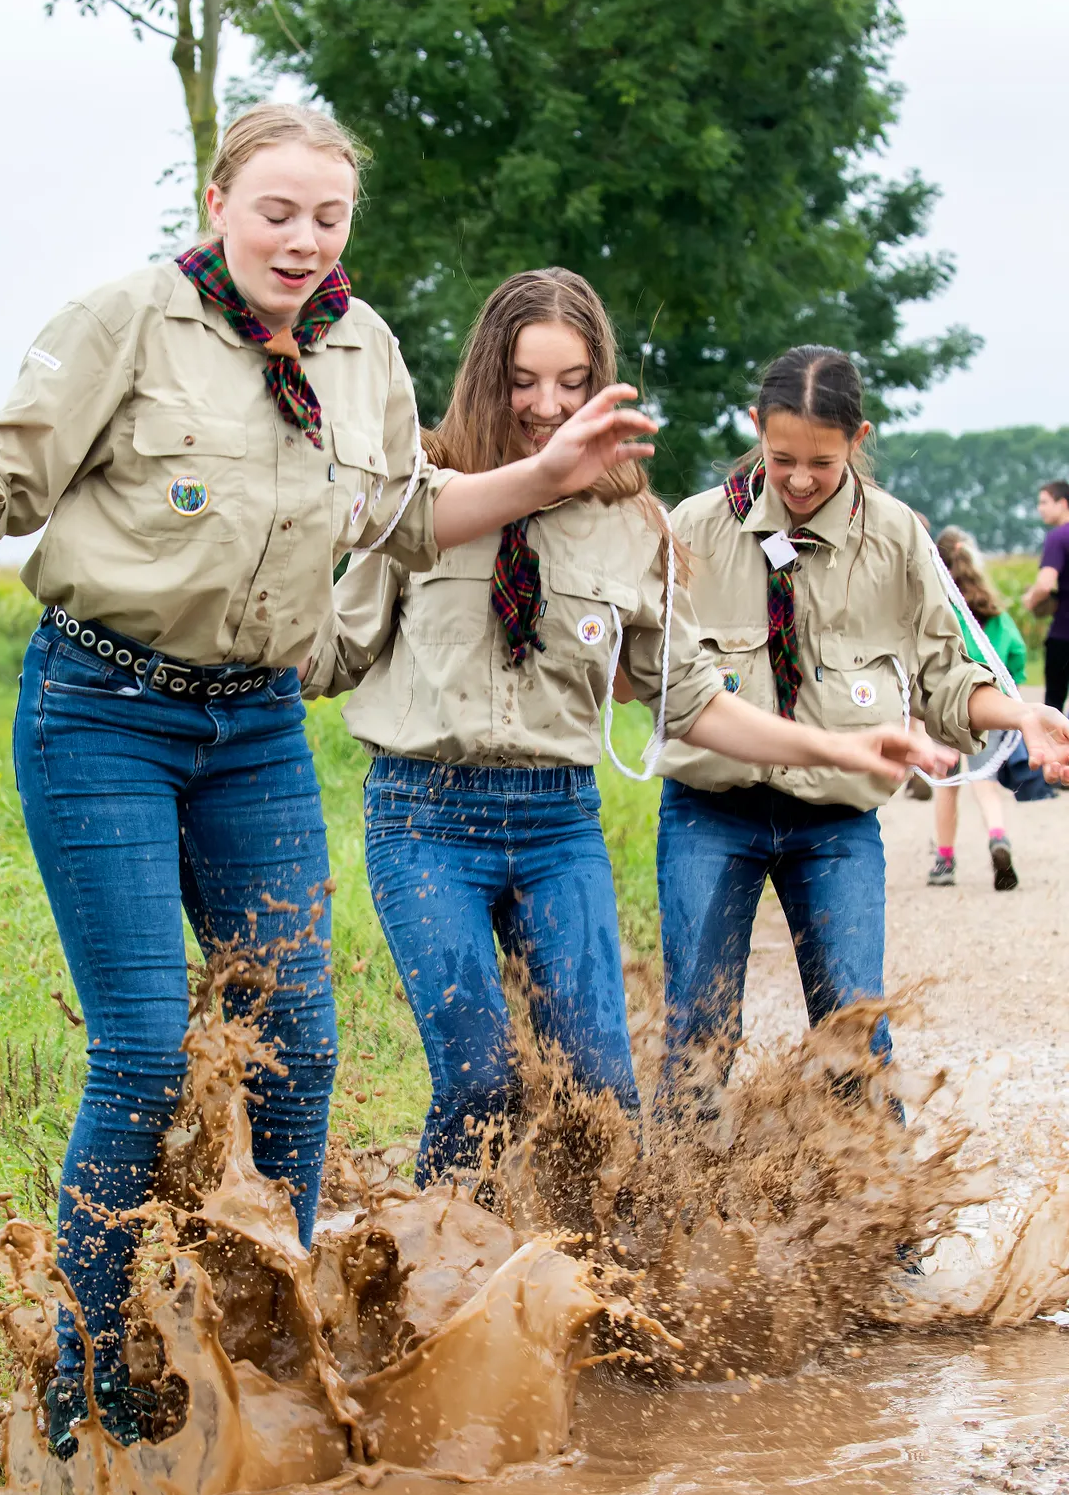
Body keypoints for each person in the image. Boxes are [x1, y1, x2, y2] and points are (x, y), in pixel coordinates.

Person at [0, 107, 660, 1457]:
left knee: (300, 1043)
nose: (303, 241)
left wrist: (542, 473)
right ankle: (84, 1375)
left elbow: (409, 517)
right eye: (277, 213)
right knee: (139, 1052)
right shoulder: (127, 322)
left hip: (250, 729)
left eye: (329, 218)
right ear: (218, 202)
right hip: (104, 711)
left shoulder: (361, 353)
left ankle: (261, 1340)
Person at [307, 274, 936, 1183]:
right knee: (481, 1081)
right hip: (425, 820)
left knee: (604, 1098)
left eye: (571, 381)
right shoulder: (423, 493)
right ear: (489, 375)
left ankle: (589, 1289)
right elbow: (328, 654)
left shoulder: (633, 526)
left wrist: (838, 747)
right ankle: (429, 1287)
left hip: (558, 823)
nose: (547, 405)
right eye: (525, 380)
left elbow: (691, 701)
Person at [655, 347, 1069, 1121]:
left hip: (837, 827)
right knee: (697, 1043)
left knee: (856, 1044)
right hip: (710, 814)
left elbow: (950, 677)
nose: (802, 479)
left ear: (859, 438)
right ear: (755, 429)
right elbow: (654, 679)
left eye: (822, 459)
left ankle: (884, 1242)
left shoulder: (898, 538)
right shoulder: (696, 529)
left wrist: (1021, 714)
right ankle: (680, 1231)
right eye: (782, 459)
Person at [927, 528, 1027, 891]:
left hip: (945, 703)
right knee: (985, 782)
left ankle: (945, 861)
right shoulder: (992, 610)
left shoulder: (940, 605)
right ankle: (999, 837)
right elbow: (1016, 651)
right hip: (992, 702)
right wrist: (1011, 687)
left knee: (948, 785)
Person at [1023, 478, 1069, 714]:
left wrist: (1029, 601)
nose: (1040, 508)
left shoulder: (1058, 537)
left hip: (1064, 634)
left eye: (1044, 502)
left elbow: (1045, 583)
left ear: (1062, 503)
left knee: (1054, 705)